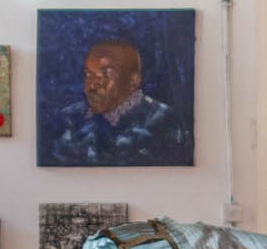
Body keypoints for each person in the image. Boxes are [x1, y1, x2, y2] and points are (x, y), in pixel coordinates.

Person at [48, 39, 188, 166]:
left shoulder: (162, 119)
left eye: (104, 76)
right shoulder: (70, 117)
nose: (91, 86)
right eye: (88, 75)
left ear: (133, 81)